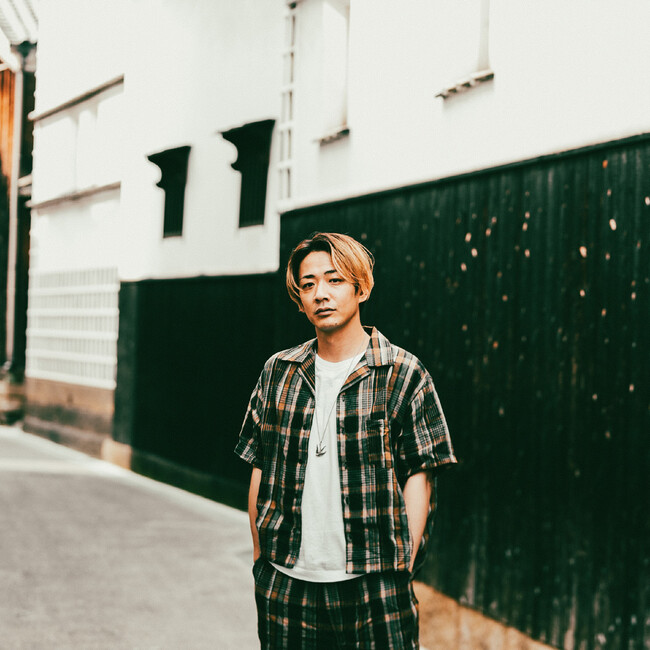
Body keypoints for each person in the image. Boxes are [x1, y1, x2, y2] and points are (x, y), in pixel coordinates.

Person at [235, 232, 456, 649]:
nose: (321, 293)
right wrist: (261, 559)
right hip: (286, 582)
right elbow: (260, 464)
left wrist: (401, 569)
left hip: (375, 584)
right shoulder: (278, 372)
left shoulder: (402, 373)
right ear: (300, 298)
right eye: (309, 284)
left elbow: (420, 475)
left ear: (361, 288)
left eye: (334, 279)